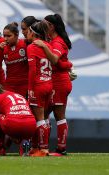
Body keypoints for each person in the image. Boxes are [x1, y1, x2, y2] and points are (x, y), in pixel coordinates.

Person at [33, 14, 73, 156]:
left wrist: (44, 46)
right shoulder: (53, 40)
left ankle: (60, 149)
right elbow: (61, 62)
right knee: (46, 113)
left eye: (46, 25)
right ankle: (43, 147)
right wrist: (67, 65)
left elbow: (55, 59)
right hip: (54, 81)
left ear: (52, 26)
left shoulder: (57, 42)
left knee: (58, 115)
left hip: (59, 82)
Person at [26, 21, 53, 157]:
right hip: (48, 83)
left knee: (40, 119)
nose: (27, 34)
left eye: (29, 32)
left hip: (38, 85)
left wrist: (30, 88)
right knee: (45, 118)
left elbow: (32, 70)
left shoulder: (32, 47)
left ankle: (44, 149)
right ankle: (37, 147)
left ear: (33, 33)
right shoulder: (48, 45)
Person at [0, 85, 36, 156]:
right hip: (31, 126)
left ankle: (0, 148)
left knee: (0, 116)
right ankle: (24, 144)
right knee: (22, 120)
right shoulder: (20, 96)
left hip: (13, 125)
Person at [0, 22, 28, 98]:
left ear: (17, 35)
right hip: (10, 85)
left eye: (9, 36)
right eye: (4, 36)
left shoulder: (25, 44)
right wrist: (0, 51)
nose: (6, 38)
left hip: (25, 85)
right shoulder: (2, 47)